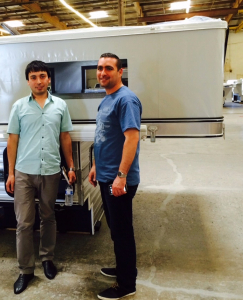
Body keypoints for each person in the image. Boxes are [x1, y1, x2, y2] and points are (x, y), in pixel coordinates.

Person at [6, 60, 76, 294]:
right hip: (24, 172)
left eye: (42, 76)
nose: (38, 81)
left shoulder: (60, 106)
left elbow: (65, 137)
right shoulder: (18, 106)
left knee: (48, 216)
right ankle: (25, 270)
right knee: (24, 223)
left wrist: (71, 166)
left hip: (51, 170)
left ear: (49, 79)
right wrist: (11, 173)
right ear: (28, 81)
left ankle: (47, 258)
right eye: (34, 77)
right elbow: (12, 140)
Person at [88, 53, 142, 300]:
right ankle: (124, 268)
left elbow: (132, 139)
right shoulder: (107, 99)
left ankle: (126, 283)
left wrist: (121, 176)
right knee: (115, 229)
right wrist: (95, 166)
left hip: (118, 179)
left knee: (122, 232)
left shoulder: (126, 100)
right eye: (99, 68)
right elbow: (105, 137)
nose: (102, 73)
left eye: (108, 68)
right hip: (106, 174)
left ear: (120, 72)